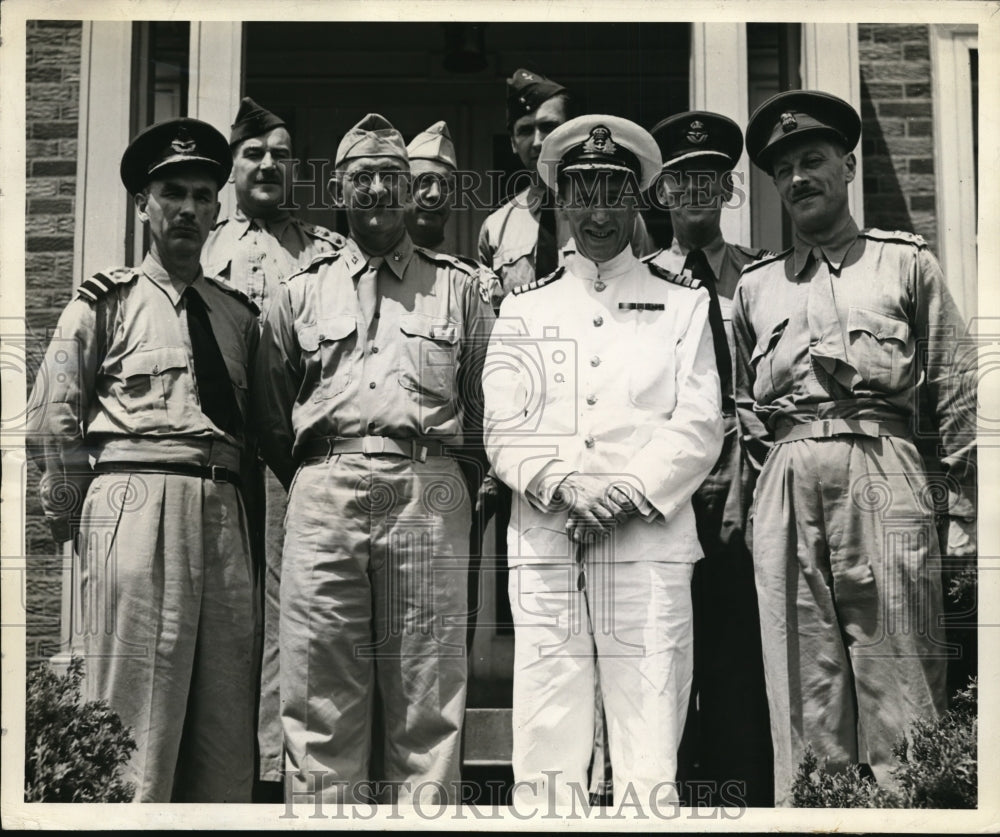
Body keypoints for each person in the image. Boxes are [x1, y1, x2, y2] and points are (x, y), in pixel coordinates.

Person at [734, 90, 977, 805]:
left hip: (884, 466)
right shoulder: (756, 287)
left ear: (847, 165)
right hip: (785, 478)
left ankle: (916, 809)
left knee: (900, 670)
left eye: (813, 160)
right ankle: (810, 811)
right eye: (785, 170)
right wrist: (758, 502)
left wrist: (964, 507)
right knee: (801, 679)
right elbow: (746, 408)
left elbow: (958, 385)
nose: (800, 177)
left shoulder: (904, 264)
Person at [253, 113, 496, 803]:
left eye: (393, 177)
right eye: (364, 178)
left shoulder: (459, 291)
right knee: (317, 697)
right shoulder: (299, 292)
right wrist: (323, 470)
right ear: (340, 188)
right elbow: (272, 418)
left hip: (426, 490)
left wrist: (443, 476)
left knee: (427, 697)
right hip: (324, 492)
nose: (381, 191)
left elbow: (483, 408)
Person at [483, 114, 724, 808]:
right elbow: (503, 423)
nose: (597, 211)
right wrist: (566, 486)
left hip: (647, 543)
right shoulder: (525, 310)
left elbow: (699, 423)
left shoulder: (681, 305)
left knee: (649, 739)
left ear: (637, 200)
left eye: (613, 192)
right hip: (549, 542)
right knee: (548, 732)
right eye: (581, 191)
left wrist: (621, 491)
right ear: (559, 199)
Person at [26, 117, 260, 802]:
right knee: (135, 715)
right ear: (143, 204)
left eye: (202, 194)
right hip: (133, 504)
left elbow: (260, 433)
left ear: (218, 209)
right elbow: (53, 419)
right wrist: (77, 529)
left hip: (222, 512)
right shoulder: (104, 305)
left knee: (224, 719)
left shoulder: (238, 317)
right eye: (172, 193)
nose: (187, 208)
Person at [201, 96, 344, 792]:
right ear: (232, 165)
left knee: (298, 611)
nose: (266, 164)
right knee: (229, 608)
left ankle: (286, 769)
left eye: (280, 154)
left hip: (295, 460)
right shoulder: (199, 248)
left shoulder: (325, 251)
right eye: (254, 152)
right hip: (223, 462)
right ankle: (229, 770)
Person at [647, 110, 773, 806]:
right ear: (661, 192)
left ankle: (742, 800)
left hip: (741, 491)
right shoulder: (636, 283)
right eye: (682, 179)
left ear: (729, 190)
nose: (696, 190)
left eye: (711, 178)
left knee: (736, 657)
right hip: (664, 495)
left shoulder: (760, 277)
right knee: (662, 658)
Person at [478, 68, 656, 303]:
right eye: (524, 130)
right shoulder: (496, 226)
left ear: (568, 133)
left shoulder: (618, 215)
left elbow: (645, 287)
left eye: (548, 127)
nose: (537, 141)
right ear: (512, 142)